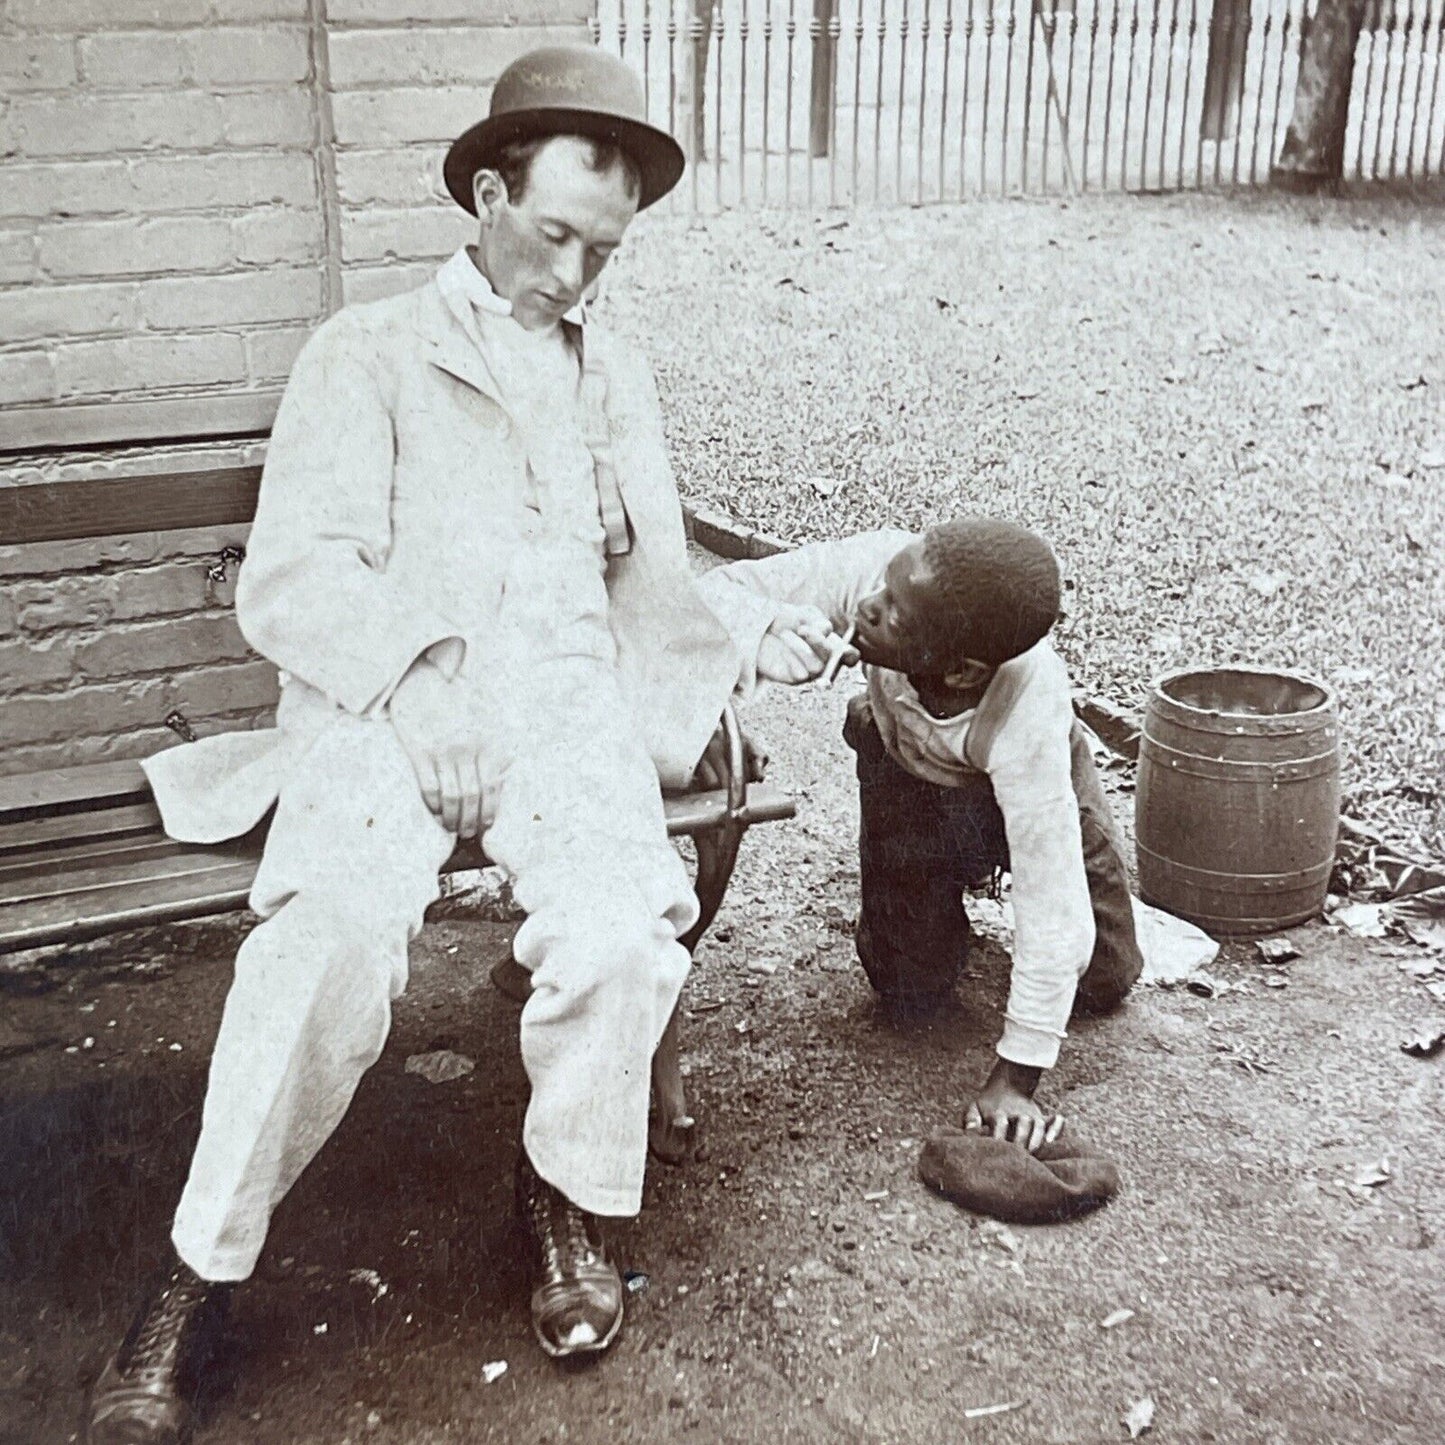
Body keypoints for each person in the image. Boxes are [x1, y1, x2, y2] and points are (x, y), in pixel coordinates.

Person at [85, 45, 816, 1445]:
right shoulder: (365, 352)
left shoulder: (613, 371)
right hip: (386, 712)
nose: (578, 278)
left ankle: (558, 1199)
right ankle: (197, 1271)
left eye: (605, 252)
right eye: (555, 237)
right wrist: (421, 684)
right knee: (325, 943)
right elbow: (293, 579)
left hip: (561, 717)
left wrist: (743, 625)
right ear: (488, 193)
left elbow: (651, 586)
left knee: (620, 927)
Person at [699, 519, 1144, 1150]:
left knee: (1105, 975)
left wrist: (1016, 1079)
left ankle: (983, 866)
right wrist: (762, 633)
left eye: (896, 618)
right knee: (908, 990)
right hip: (908, 766)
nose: (868, 606)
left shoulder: (1027, 713)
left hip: (1016, 779)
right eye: (883, 586)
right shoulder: (892, 572)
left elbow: (1053, 903)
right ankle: (940, 882)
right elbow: (714, 592)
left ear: (961, 673)